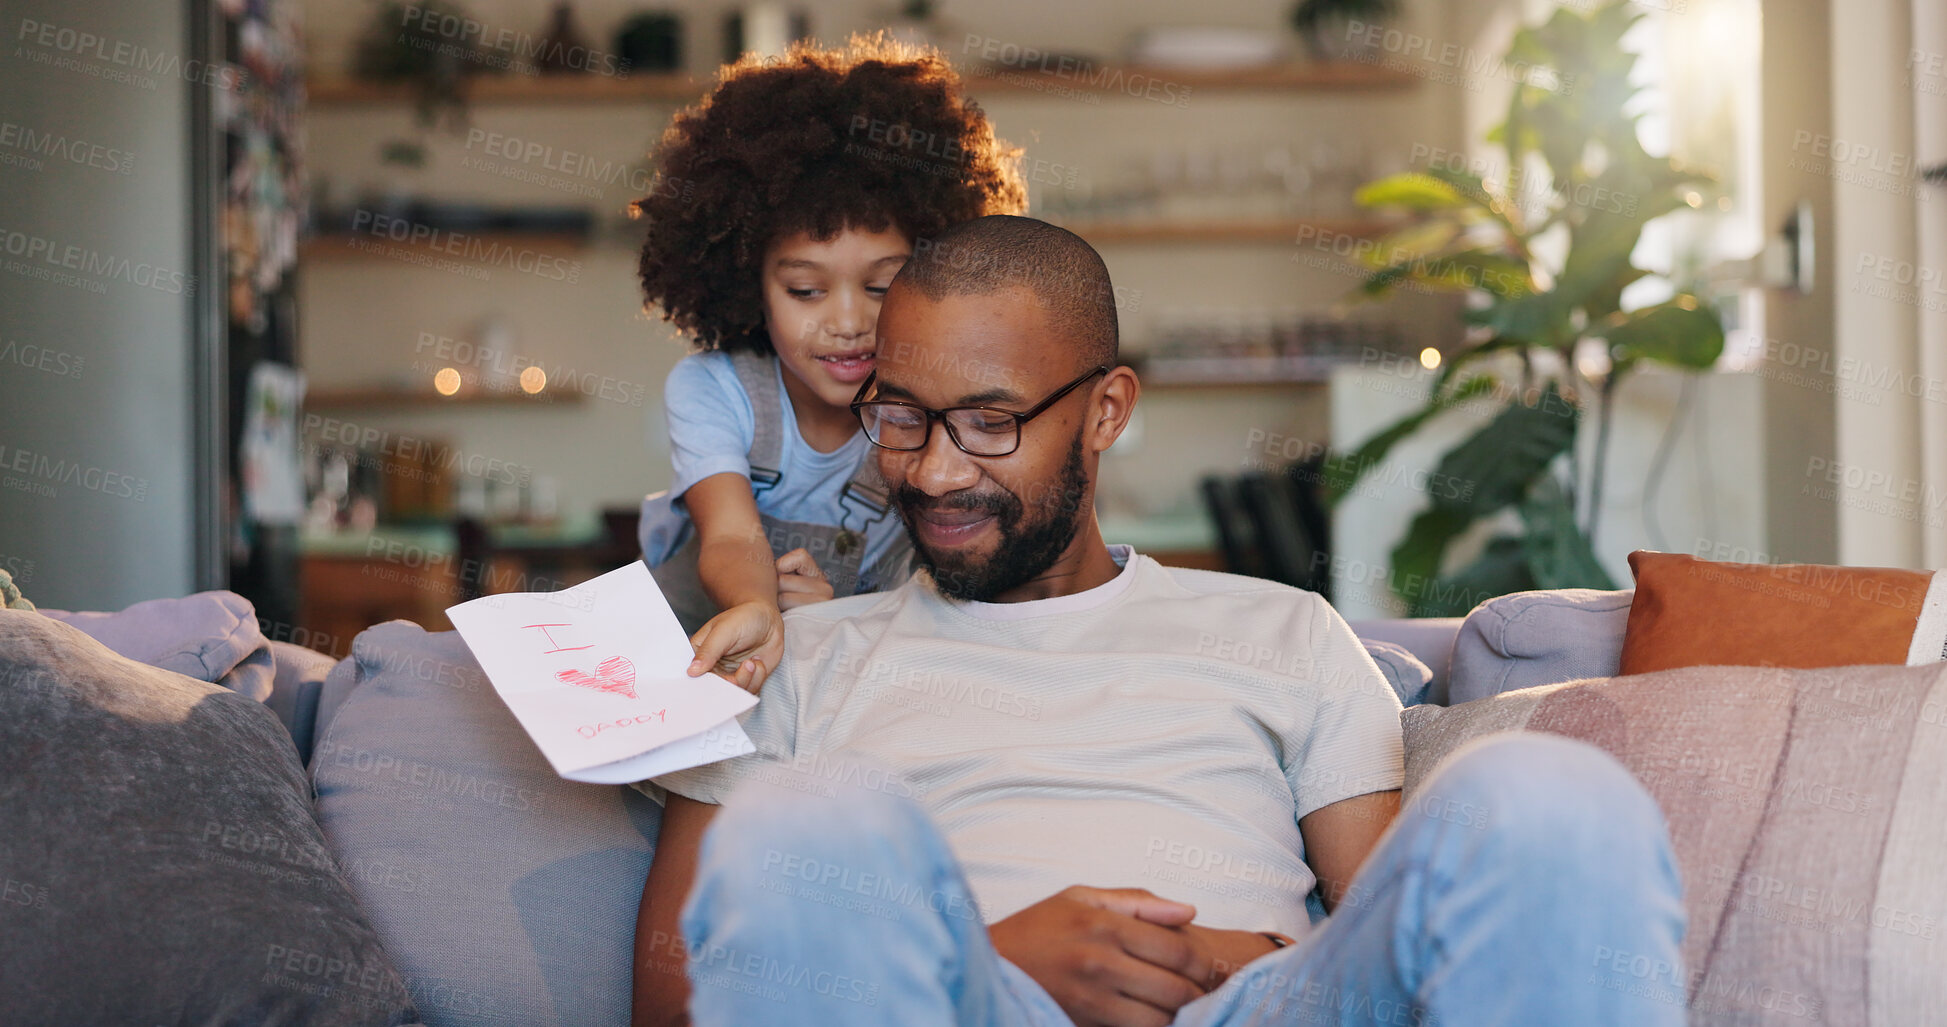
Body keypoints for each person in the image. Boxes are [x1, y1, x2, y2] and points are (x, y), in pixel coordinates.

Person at [630, 216, 1687, 1027]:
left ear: (1106, 411)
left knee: (1548, 794)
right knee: (805, 814)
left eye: (991, 422)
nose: (937, 470)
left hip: (1256, 1002)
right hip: (961, 1004)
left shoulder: (1285, 630)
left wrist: (1218, 962)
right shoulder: (796, 652)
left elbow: (1397, 938)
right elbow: (674, 999)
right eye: (901, 418)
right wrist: (985, 957)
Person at [632, 36, 1026, 691]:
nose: (847, 324)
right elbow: (730, 536)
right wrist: (759, 609)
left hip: (838, 691)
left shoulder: (938, 431)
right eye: (806, 290)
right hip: (684, 672)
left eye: (881, 286)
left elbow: (935, 610)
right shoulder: (714, 391)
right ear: (747, 284)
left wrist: (841, 623)